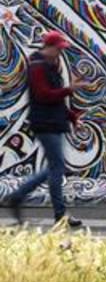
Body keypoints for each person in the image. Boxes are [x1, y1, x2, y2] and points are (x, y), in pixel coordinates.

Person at [4, 31, 85, 227]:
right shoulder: (37, 68)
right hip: (45, 124)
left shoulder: (49, 66)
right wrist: (69, 90)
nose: (60, 53)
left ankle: (18, 195)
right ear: (49, 47)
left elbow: (56, 101)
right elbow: (43, 95)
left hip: (53, 122)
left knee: (54, 167)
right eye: (58, 49)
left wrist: (72, 117)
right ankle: (60, 214)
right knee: (57, 167)